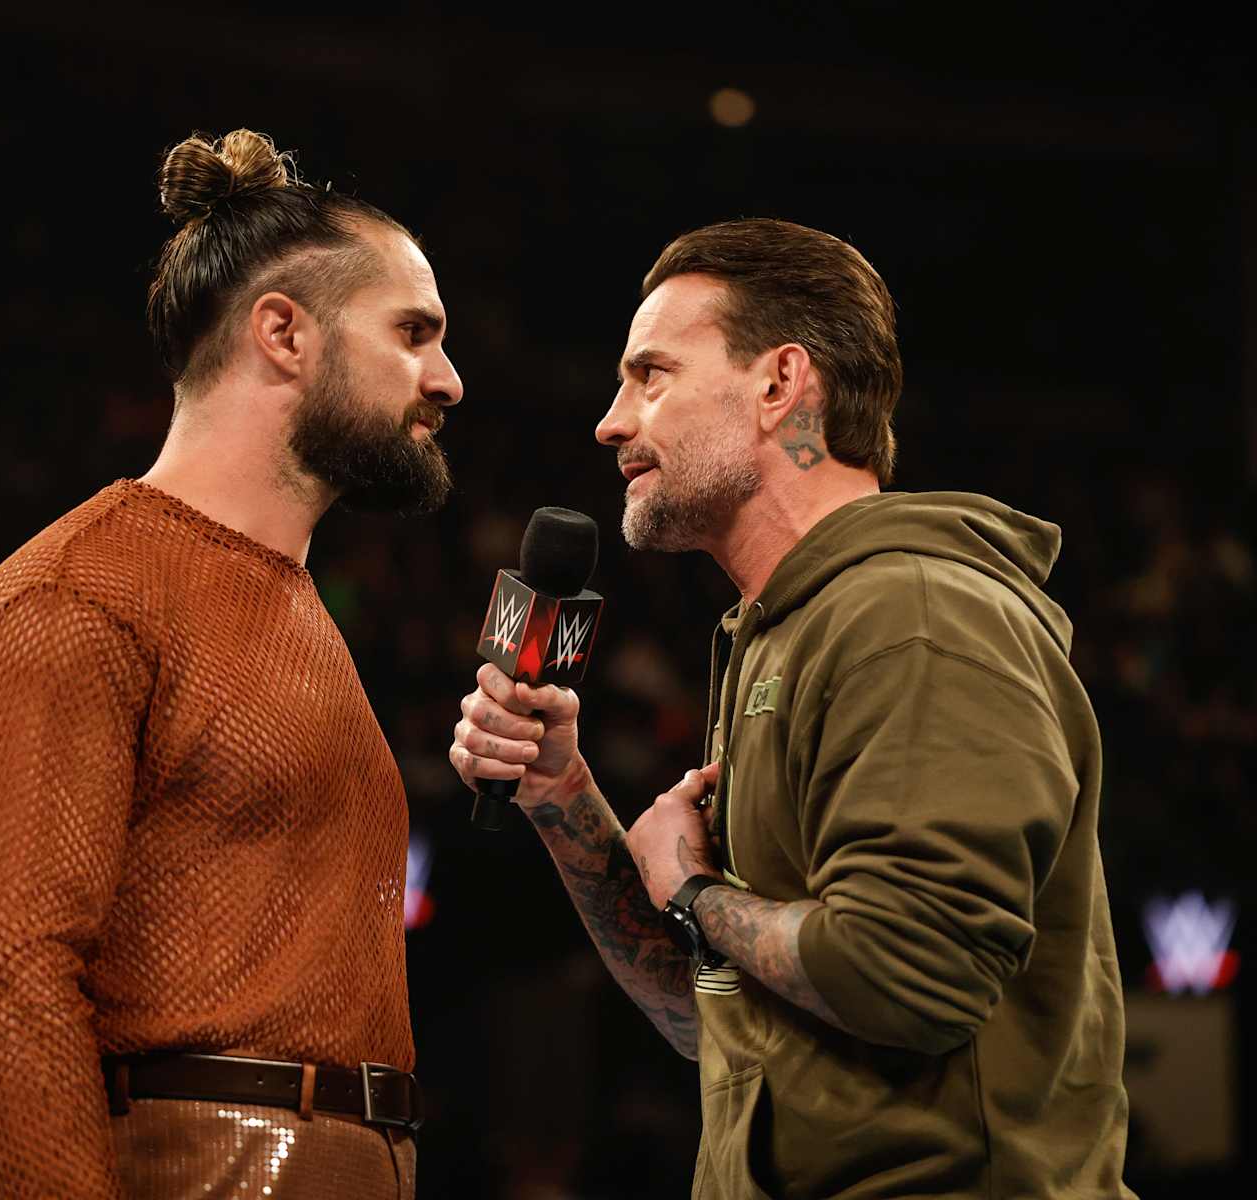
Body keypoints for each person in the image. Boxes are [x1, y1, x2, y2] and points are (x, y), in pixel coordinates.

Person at [450, 218, 1135, 1198]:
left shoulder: (913, 616)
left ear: (779, 385)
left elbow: (910, 973)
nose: (610, 421)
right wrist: (561, 793)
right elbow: (712, 1017)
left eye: (651, 376)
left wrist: (694, 892)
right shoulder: (785, 631)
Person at [0, 129, 461, 1200]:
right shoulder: (76, 596)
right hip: (202, 1166)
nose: (447, 378)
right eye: (414, 333)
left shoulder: (294, 606)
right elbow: (0, 985)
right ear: (283, 334)